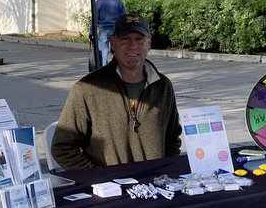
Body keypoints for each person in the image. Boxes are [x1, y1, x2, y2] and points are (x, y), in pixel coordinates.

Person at [52, 14, 181, 169]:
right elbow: (62, 147)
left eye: (139, 39)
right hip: (111, 190)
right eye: (125, 39)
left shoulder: (163, 86)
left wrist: (165, 170)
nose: (133, 45)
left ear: (149, 43)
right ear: (113, 43)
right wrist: (99, 178)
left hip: (155, 185)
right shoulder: (87, 89)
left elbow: (172, 138)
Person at [93, 0, 127, 68]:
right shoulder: (118, 2)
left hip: (103, 29)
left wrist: (91, 31)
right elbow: (123, 17)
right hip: (115, 29)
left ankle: (104, 67)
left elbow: (95, 18)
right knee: (116, 48)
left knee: (104, 50)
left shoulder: (99, 3)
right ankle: (117, 65)